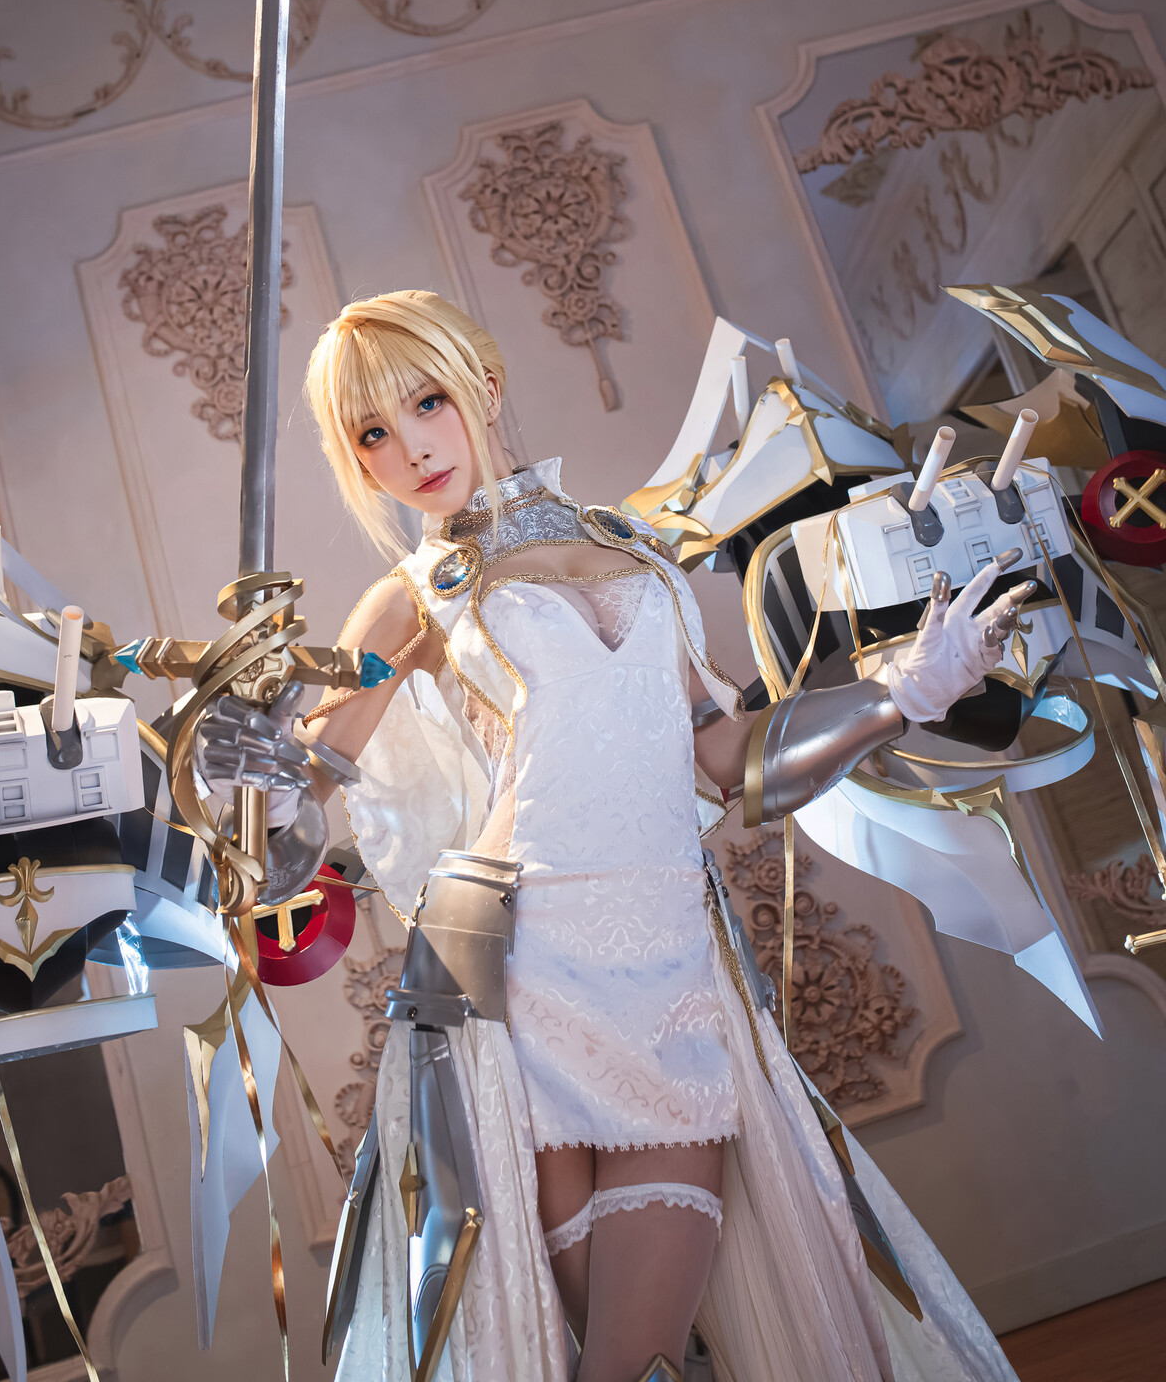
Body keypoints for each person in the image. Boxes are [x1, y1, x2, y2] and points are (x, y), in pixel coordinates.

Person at [202, 289, 1028, 1382]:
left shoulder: (637, 550)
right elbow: (303, 804)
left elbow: (723, 758)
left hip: (667, 959)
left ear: (485, 384)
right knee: (628, 1363)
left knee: (641, 1355)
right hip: (511, 974)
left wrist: (900, 696)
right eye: (372, 434)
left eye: (427, 402)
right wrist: (256, 779)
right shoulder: (410, 596)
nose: (410, 448)